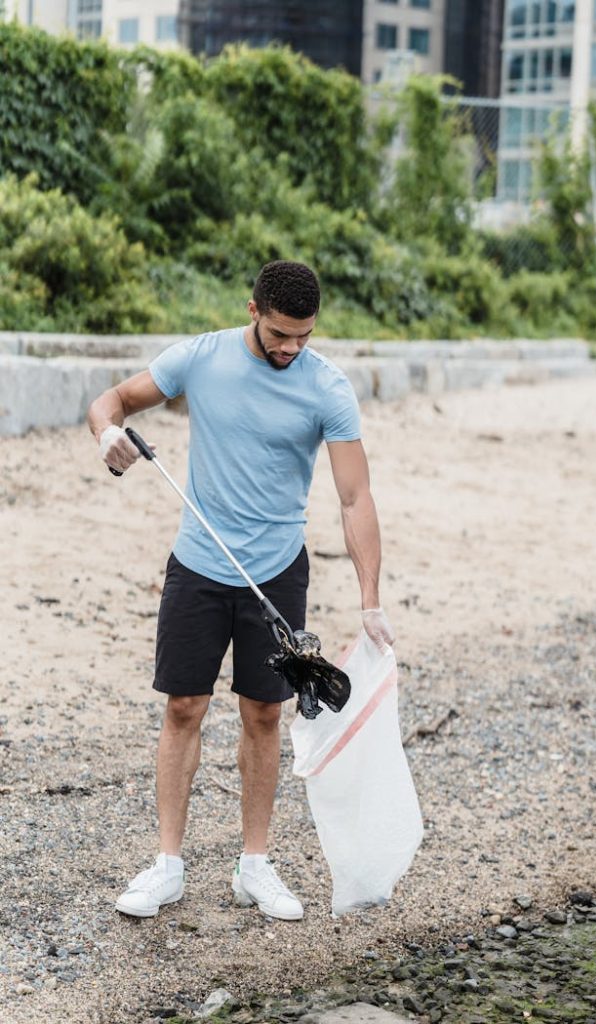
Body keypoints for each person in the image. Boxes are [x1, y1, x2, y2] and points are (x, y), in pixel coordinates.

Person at [87, 260, 394, 922]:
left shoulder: (327, 389)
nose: (290, 349)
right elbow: (110, 402)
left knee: (263, 714)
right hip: (198, 565)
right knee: (183, 708)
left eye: (303, 337)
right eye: (280, 334)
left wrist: (369, 597)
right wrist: (107, 434)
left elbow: (354, 494)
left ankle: (253, 864)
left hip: (277, 571)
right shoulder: (200, 359)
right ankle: (167, 864)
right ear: (253, 309)